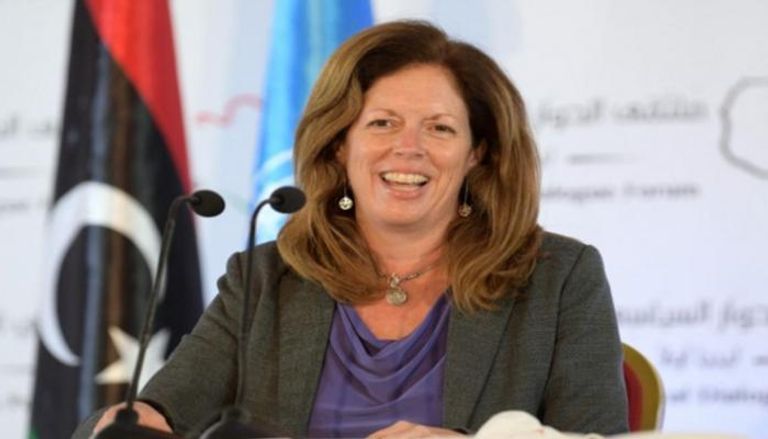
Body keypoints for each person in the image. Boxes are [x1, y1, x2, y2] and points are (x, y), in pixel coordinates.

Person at [75, 20, 628, 438]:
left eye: (439, 128)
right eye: (382, 123)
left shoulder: (559, 279)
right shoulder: (265, 281)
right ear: (340, 144)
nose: (408, 148)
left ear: (477, 153)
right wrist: (131, 423)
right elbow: (154, 413)